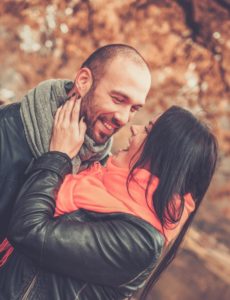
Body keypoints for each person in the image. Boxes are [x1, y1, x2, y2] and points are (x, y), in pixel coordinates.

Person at [0, 102, 217, 299]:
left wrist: (57, 156)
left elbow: (28, 230)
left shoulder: (138, 241)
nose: (134, 128)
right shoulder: (103, 184)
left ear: (164, 159)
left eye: (147, 130)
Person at [0, 43, 151, 243]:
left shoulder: (101, 169)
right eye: (117, 99)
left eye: (134, 108)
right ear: (83, 81)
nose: (124, 119)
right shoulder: (6, 130)